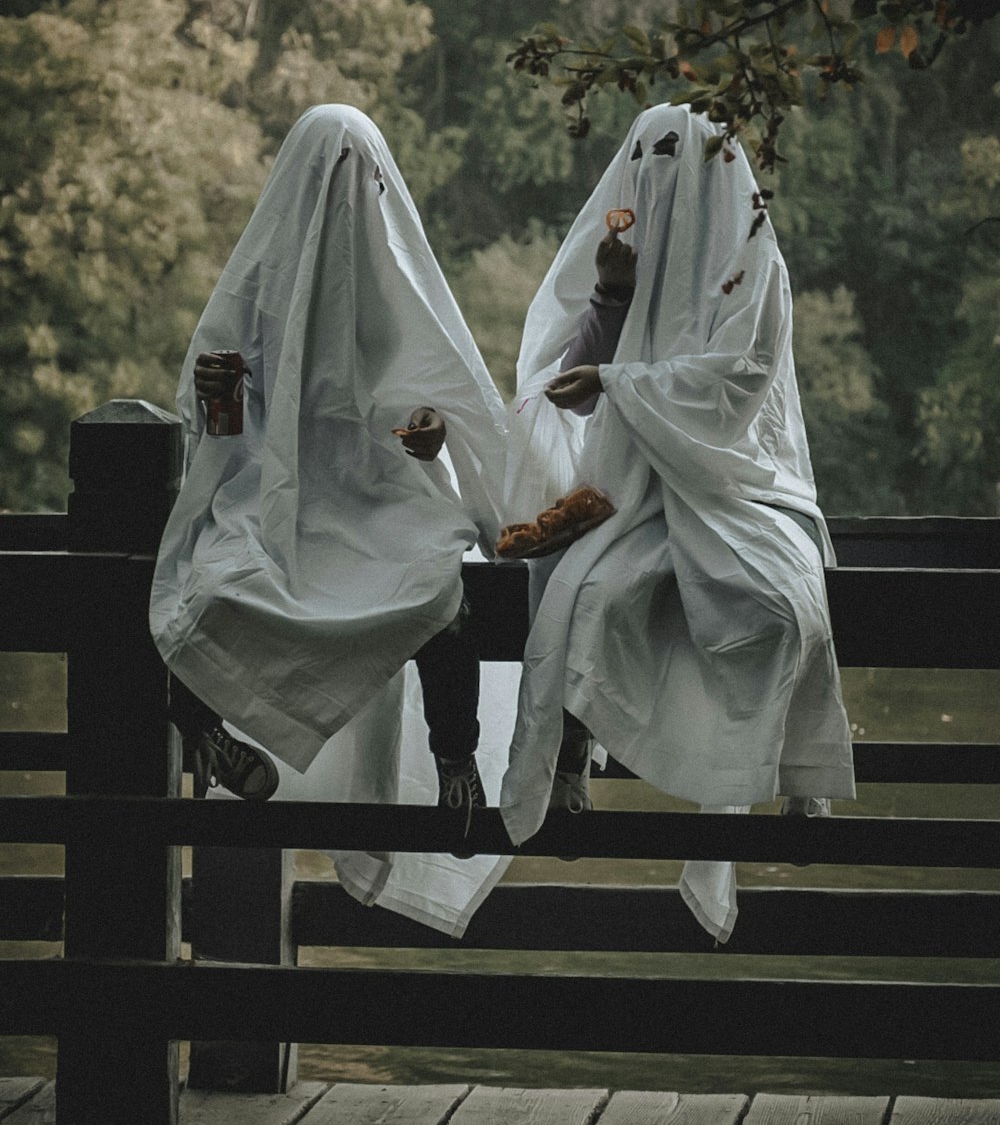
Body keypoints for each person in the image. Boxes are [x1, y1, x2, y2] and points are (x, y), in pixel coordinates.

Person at [150, 104, 512, 936]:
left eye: (359, 176)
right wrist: (220, 399)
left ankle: (453, 755)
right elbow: (217, 427)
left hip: (375, 501)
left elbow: (440, 395)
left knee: (433, 589)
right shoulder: (258, 282)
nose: (342, 194)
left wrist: (428, 434)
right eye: (328, 174)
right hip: (269, 498)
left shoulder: (395, 275)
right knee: (205, 587)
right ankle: (207, 731)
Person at [498, 102, 856, 941]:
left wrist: (620, 385)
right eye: (645, 157)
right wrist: (612, 298)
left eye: (677, 157)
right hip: (630, 486)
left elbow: (740, 383)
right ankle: (568, 756)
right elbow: (560, 369)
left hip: (735, 485)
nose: (660, 176)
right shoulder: (616, 256)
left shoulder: (753, 265)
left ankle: (794, 767)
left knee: (770, 608)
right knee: (588, 594)